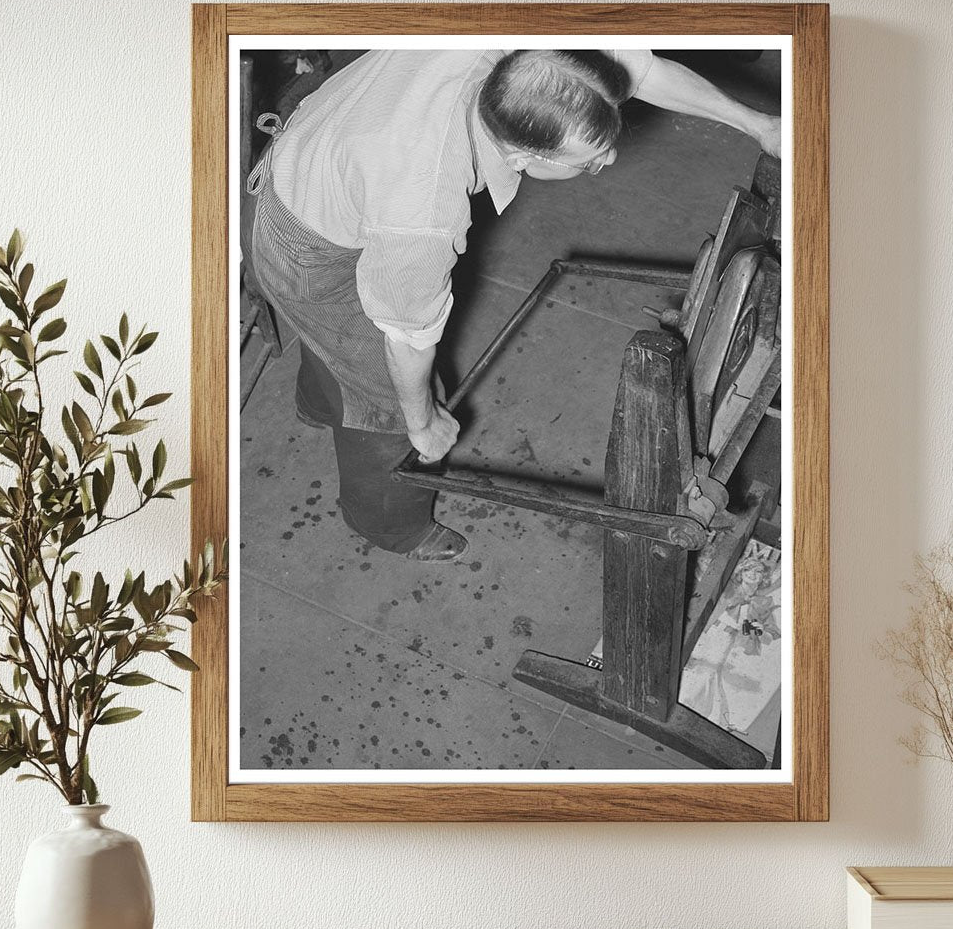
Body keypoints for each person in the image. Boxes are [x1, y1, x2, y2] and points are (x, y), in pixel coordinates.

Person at [244, 49, 779, 562]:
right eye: (588, 163)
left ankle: (320, 402)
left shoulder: (515, 49)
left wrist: (758, 124)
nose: (609, 158)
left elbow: (635, 66)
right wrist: (423, 420)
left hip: (319, 157)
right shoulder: (423, 212)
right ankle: (387, 525)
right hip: (304, 250)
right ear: (523, 157)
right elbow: (406, 336)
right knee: (392, 404)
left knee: (346, 348)